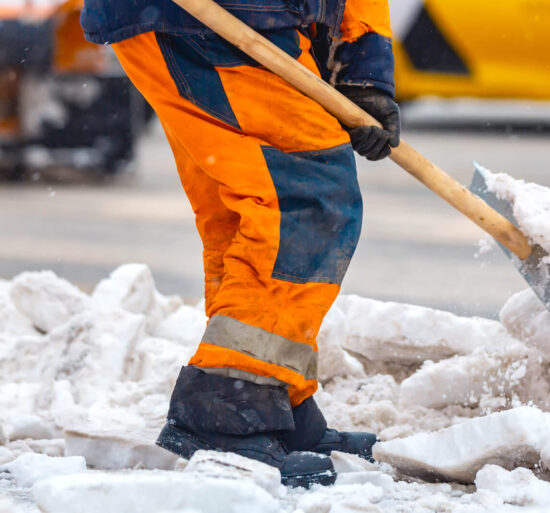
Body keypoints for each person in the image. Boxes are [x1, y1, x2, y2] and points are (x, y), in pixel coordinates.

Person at [80, 0, 400, 488]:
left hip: (246, 18)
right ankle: (231, 402)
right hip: (206, 16)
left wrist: (363, 68)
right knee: (305, 197)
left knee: (248, 206)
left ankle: (266, 392)